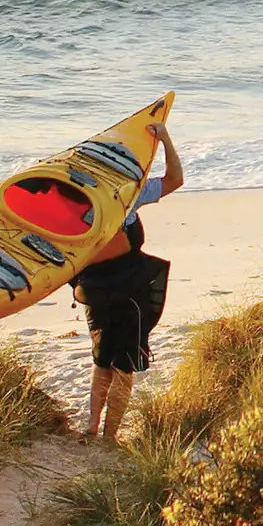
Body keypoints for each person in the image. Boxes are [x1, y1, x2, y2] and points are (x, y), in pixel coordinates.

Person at [68, 117, 182, 442]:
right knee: (123, 366)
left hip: (94, 290)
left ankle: (92, 426)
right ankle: (108, 435)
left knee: (101, 359)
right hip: (130, 290)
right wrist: (165, 140)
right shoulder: (131, 194)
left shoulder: (77, 200)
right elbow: (175, 179)